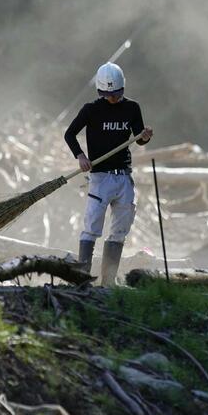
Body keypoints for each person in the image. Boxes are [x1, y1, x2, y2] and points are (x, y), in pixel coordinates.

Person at [63, 62, 153, 286]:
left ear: (122, 88)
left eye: (116, 93)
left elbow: (139, 139)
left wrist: (145, 136)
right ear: (100, 92)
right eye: (108, 94)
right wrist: (81, 156)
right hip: (100, 177)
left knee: (119, 230)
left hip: (123, 176)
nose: (112, 98)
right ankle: (83, 279)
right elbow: (69, 134)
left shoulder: (132, 108)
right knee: (92, 226)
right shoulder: (91, 110)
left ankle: (108, 281)